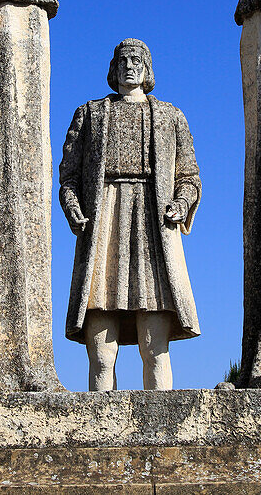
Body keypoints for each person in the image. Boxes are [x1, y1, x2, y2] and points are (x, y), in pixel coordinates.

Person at [60, 38, 201, 390]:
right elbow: (69, 176)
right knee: (101, 349)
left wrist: (181, 204)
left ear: (148, 68)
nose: (129, 66)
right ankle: (99, 427)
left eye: (137, 60)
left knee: (155, 346)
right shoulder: (90, 114)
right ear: (113, 67)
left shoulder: (170, 116)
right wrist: (74, 206)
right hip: (104, 220)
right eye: (122, 59)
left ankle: (163, 428)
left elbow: (189, 176)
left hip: (153, 224)